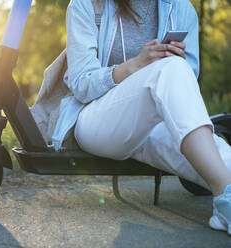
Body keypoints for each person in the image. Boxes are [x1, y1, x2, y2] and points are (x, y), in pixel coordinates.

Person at [51, 0, 231, 234]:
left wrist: (176, 63)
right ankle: (224, 197)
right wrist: (135, 65)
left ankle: (225, 207)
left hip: (157, 123)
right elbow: (81, 84)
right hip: (98, 119)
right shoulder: (85, 5)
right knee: (172, 67)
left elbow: (187, 84)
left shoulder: (181, 9)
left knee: (224, 161)